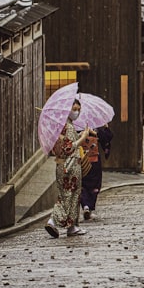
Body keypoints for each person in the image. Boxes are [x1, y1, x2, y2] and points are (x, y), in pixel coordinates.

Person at [45, 99, 90, 238]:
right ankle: (53, 220)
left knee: (70, 194)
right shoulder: (68, 127)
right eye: (74, 108)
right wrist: (83, 137)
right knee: (69, 195)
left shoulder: (59, 125)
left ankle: (72, 226)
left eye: (78, 109)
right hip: (70, 164)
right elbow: (69, 147)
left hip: (61, 164)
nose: (76, 112)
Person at [79, 124, 113, 220]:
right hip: (94, 160)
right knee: (94, 185)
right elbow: (107, 138)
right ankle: (89, 207)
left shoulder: (75, 127)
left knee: (82, 184)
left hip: (80, 160)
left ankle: (85, 205)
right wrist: (105, 128)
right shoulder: (95, 127)